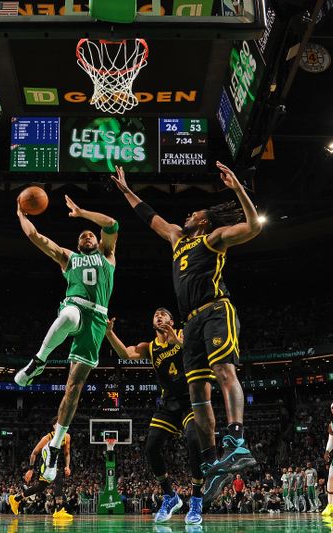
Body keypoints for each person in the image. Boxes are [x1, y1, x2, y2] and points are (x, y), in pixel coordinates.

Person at [111, 162, 262, 502]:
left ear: (204, 221)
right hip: (190, 322)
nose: (189, 213)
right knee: (198, 394)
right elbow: (151, 217)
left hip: (215, 310)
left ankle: (236, 439)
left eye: (195, 212)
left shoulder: (214, 238)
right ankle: (211, 462)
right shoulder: (177, 239)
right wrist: (126, 190)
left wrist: (238, 189)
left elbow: (253, 227)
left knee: (224, 370)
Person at [12, 194, 118, 483]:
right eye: (82, 236)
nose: (86, 236)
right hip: (75, 307)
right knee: (69, 316)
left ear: (97, 242)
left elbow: (111, 224)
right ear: (78, 244)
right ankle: (38, 361)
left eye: (89, 235)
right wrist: (22, 215)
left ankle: (55, 448)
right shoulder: (68, 258)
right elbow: (37, 238)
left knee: (74, 388)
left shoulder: (107, 257)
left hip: (97, 319)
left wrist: (83, 212)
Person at [104, 308, 211, 525]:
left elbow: (198, 351)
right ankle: (170, 496)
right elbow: (125, 353)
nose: (158, 316)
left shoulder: (182, 333)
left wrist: (175, 339)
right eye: (155, 315)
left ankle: (197, 498)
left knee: (193, 440)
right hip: (169, 403)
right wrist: (108, 333)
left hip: (191, 399)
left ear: (171, 320)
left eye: (163, 314)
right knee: (151, 447)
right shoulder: (150, 347)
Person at [8, 417, 73, 520]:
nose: (60, 427)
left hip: (53, 463)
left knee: (40, 487)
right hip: (44, 463)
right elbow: (34, 453)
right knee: (58, 479)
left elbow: (66, 453)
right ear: (54, 426)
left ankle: (16, 499)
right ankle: (59, 510)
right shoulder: (47, 438)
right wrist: (30, 469)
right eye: (58, 425)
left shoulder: (67, 437)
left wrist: (67, 466)